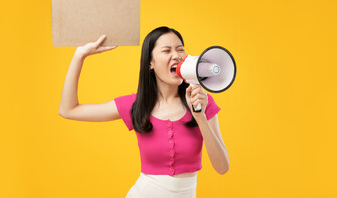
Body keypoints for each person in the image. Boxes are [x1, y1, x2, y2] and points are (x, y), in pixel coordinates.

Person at [58, 26, 229, 198]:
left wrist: (200, 117)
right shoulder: (136, 105)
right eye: (166, 50)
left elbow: (222, 167)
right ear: (150, 63)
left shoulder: (202, 101)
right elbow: (68, 109)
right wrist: (79, 56)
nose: (177, 55)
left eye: (180, 49)